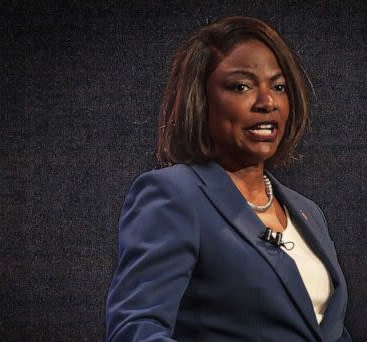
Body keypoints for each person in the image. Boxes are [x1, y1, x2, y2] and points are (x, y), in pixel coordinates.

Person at [105, 16, 351, 342]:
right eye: (241, 86)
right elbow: (134, 330)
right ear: (201, 100)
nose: (267, 102)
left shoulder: (309, 213)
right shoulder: (176, 195)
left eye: (279, 87)